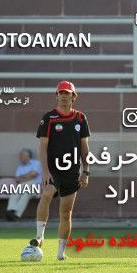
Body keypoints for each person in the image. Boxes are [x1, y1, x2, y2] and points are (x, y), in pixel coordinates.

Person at [29, 80, 91, 260]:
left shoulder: (81, 118)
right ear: (56, 96)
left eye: (68, 93)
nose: (64, 96)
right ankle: (40, 237)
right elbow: (43, 147)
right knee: (47, 193)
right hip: (53, 170)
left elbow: (85, 148)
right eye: (61, 93)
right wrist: (45, 171)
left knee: (66, 213)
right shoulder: (49, 118)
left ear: (73, 97)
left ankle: (60, 254)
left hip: (72, 171)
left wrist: (86, 171)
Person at [6, 149, 42, 221]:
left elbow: (34, 174)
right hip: (23, 186)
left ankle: (15, 214)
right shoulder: (20, 167)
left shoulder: (36, 163)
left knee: (26, 191)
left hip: (35, 186)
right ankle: (12, 211)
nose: (19, 157)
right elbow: (17, 179)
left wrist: (23, 177)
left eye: (21, 155)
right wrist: (29, 175)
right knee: (16, 193)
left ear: (27, 156)